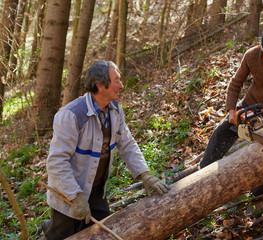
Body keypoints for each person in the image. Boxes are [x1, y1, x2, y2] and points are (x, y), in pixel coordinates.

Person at [42, 60, 170, 239]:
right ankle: (49, 229)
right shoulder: (71, 115)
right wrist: (76, 196)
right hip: (69, 194)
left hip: (96, 191)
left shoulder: (115, 110)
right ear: (100, 85)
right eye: (116, 80)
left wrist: (145, 174)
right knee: (62, 236)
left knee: (104, 235)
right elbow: (56, 161)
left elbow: (127, 143)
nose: (121, 85)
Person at [199, 19, 263, 196]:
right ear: (262, 48)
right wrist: (231, 110)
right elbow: (235, 83)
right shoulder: (251, 55)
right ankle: (203, 176)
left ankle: (258, 198)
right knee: (222, 132)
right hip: (251, 103)